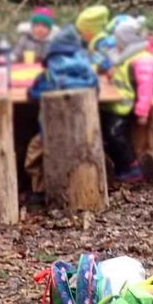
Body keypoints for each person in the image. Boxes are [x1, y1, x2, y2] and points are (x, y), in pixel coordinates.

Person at [25, 25, 98, 197]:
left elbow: (33, 95)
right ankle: (91, 184)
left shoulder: (47, 77)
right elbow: (97, 91)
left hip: (50, 133)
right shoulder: (89, 75)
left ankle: (39, 190)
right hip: (85, 130)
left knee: (34, 153)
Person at [101, 16, 153, 183]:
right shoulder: (127, 56)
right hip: (120, 103)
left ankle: (131, 167)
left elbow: (146, 87)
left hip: (130, 106)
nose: (116, 45)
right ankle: (117, 164)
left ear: (128, 41)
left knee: (114, 134)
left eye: (118, 41)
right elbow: (121, 74)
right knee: (105, 127)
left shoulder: (143, 59)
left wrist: (142, 111)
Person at [75, 6, 122, 74]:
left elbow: (103, 64)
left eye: (82, 33)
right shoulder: (98, 42)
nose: (81, 36)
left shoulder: (104, 44)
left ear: (89, 32)